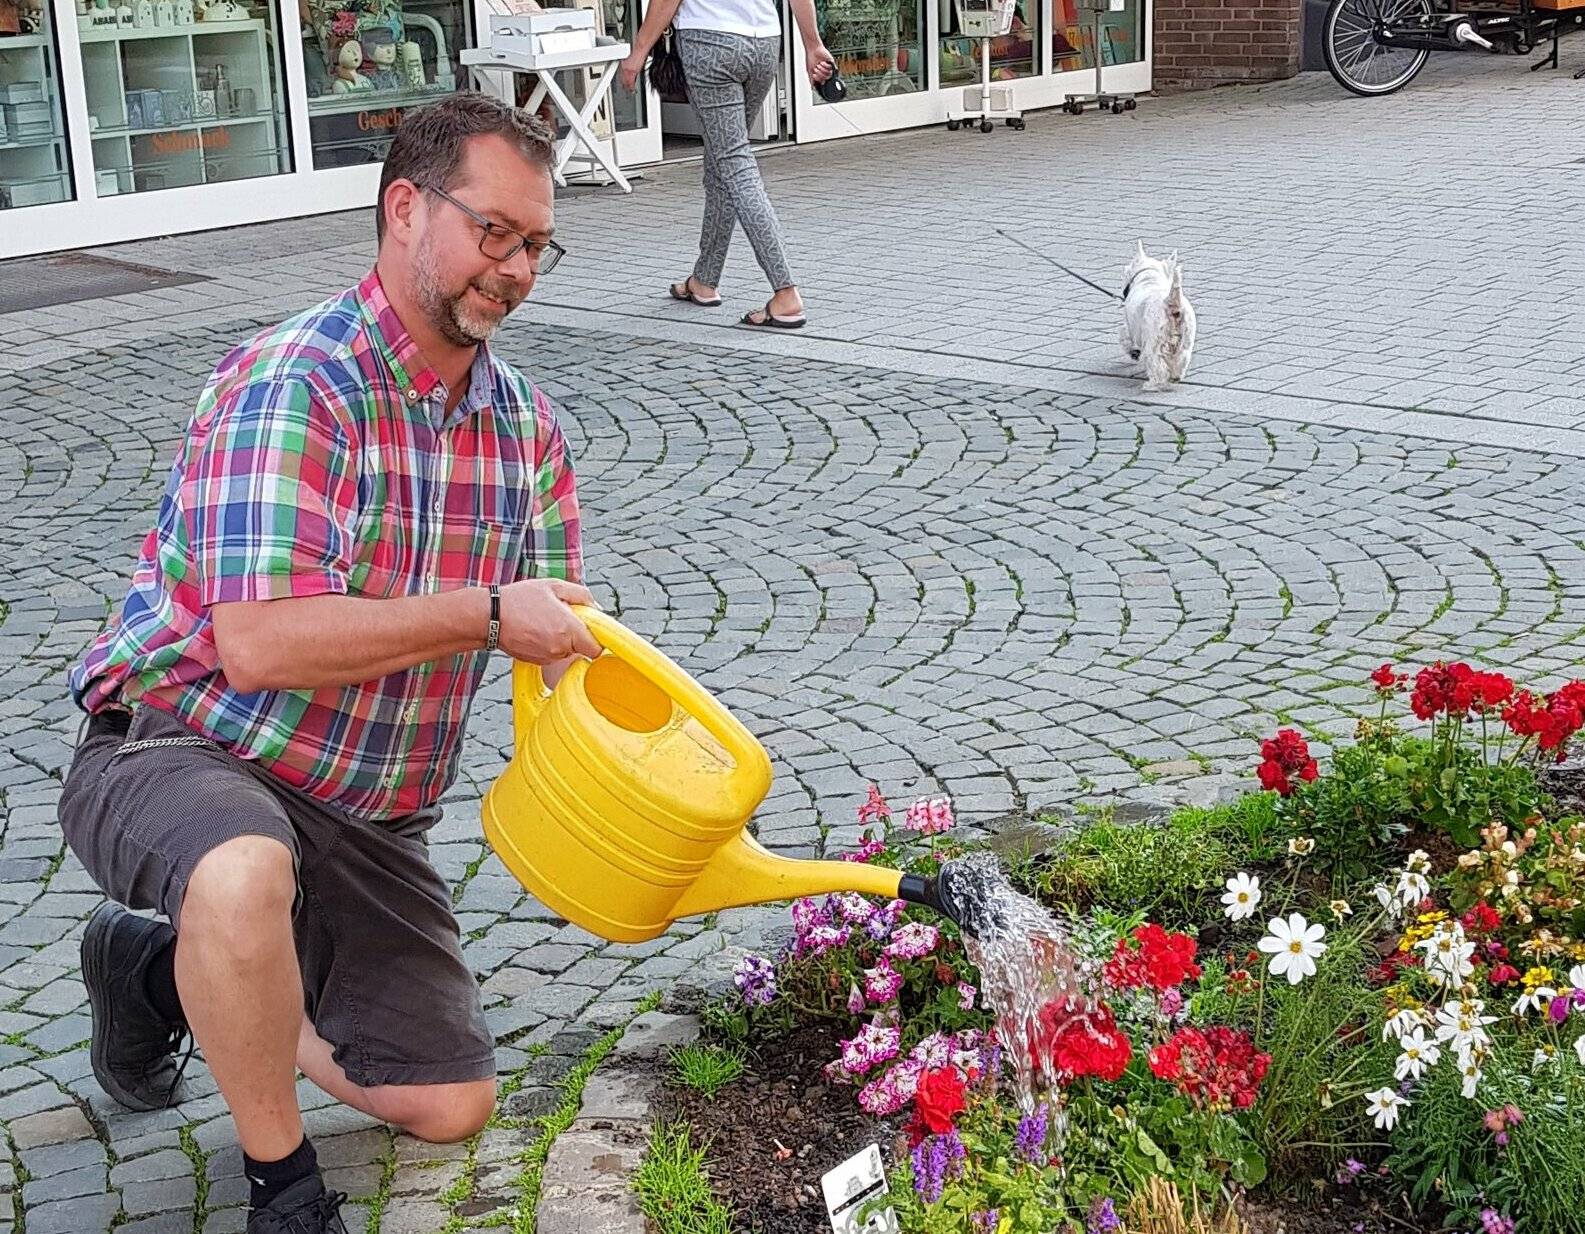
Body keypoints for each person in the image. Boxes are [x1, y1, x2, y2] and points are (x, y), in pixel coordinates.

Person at [58, 93, 603, 1234]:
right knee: (243, 868)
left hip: (364, 812)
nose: (514, 269)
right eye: (492, 232)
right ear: (405, 207)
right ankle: (282, 1187)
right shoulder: (296, 383)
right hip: (185, 742)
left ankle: (162, 976)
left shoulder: (529, 434)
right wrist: (489, 614)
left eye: (536, 243)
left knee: (447, 1102)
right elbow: (259, 642)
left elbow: (560, 642)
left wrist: (642, 803)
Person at [618, 0, 835, 328]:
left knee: (734, 164)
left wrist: (638, 52)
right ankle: (705, 280)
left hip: (710, 43)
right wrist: (812, 43)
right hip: (763, 43)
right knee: (723, 163)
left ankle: (786, 293)